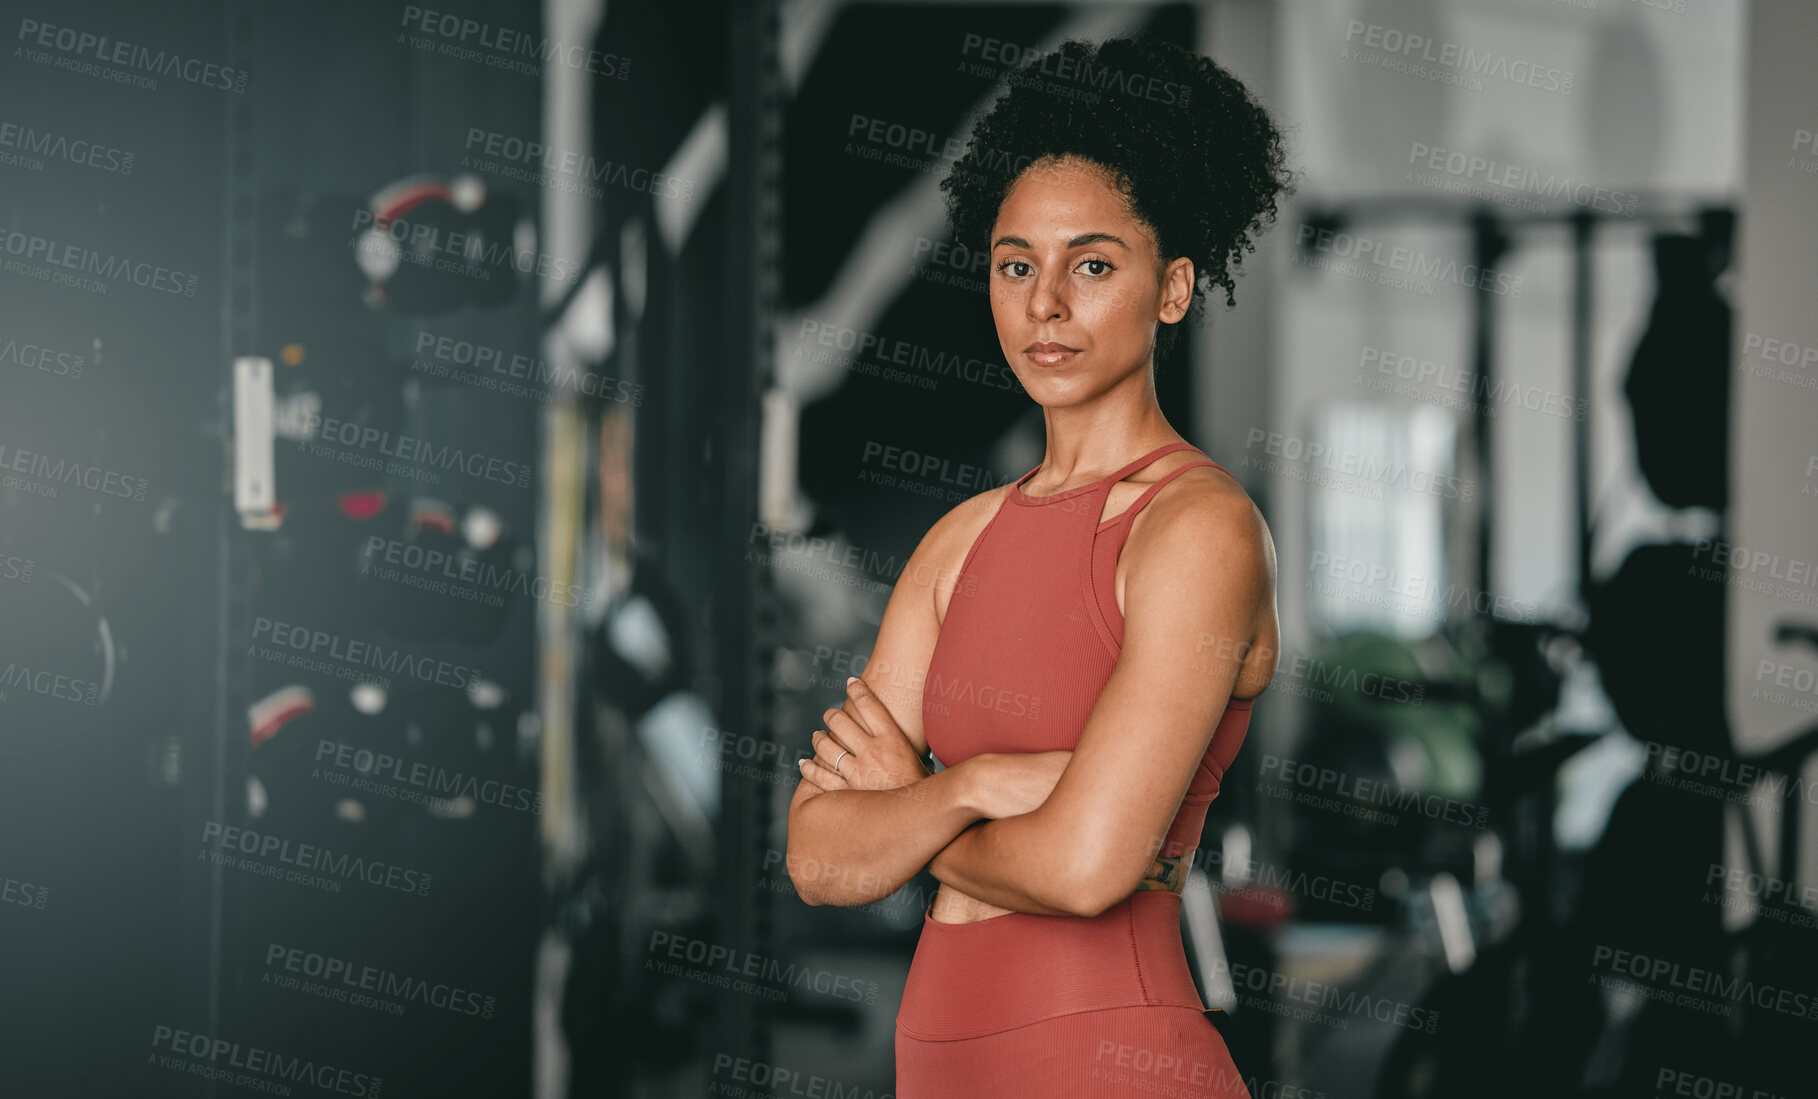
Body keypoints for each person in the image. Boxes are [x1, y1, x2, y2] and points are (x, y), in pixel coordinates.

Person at [785, 36, 1293, 1097]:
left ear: (1174, 288)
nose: (1046, 302)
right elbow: (819, 858)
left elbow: (1085, 866)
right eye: (1018, 263)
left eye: (1093, 264)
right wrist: (973, 786)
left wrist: (909, 814)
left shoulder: (1197, 530)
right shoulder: (959, 540)